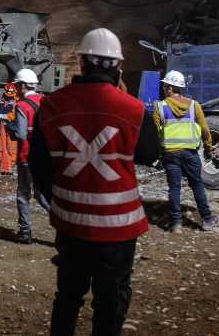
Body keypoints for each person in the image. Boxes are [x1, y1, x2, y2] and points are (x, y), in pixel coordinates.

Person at [30, 27, 157, 336]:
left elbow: (39, 166)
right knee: (111, 301)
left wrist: (61, 197)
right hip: (119, 230)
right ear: (118, 67)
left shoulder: (51, 106)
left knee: (69, 297)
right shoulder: (134, 109)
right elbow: (150, 153)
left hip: (71, 225)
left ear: (82, 63)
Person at [153, 70, 219, 233]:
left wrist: (160, 152)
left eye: (165, 86)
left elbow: (158, 132)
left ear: (170, 88)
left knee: (174, 188)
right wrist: (208, 146)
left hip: (170, 154)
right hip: (190, 154)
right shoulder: (194, 105)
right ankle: (206, 219)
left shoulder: (159, 107)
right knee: (197, 185)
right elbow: (205, 130)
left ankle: (176, 224)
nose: (163, 88)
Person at [9, 68, 52, 243]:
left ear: (24, 86)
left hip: (27, 157)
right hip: (45, 157)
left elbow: (20, 134)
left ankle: (25, 232)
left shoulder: (22, 106)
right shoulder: (45, 101)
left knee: (23, 194)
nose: (16, 89)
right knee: (42, 194)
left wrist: (8, 126)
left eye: (18, 85)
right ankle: (66, 224)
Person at [0, 83, 20, 172]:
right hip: (1, 127)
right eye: (8, 94)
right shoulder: (1, 99)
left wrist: (3, 116)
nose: (9, 96)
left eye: (11, 94)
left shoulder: (17, 101)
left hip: (12, 127)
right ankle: (3, 164)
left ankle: (12, 165)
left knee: (12, 147)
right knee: (1, 146)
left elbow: (14, 115)